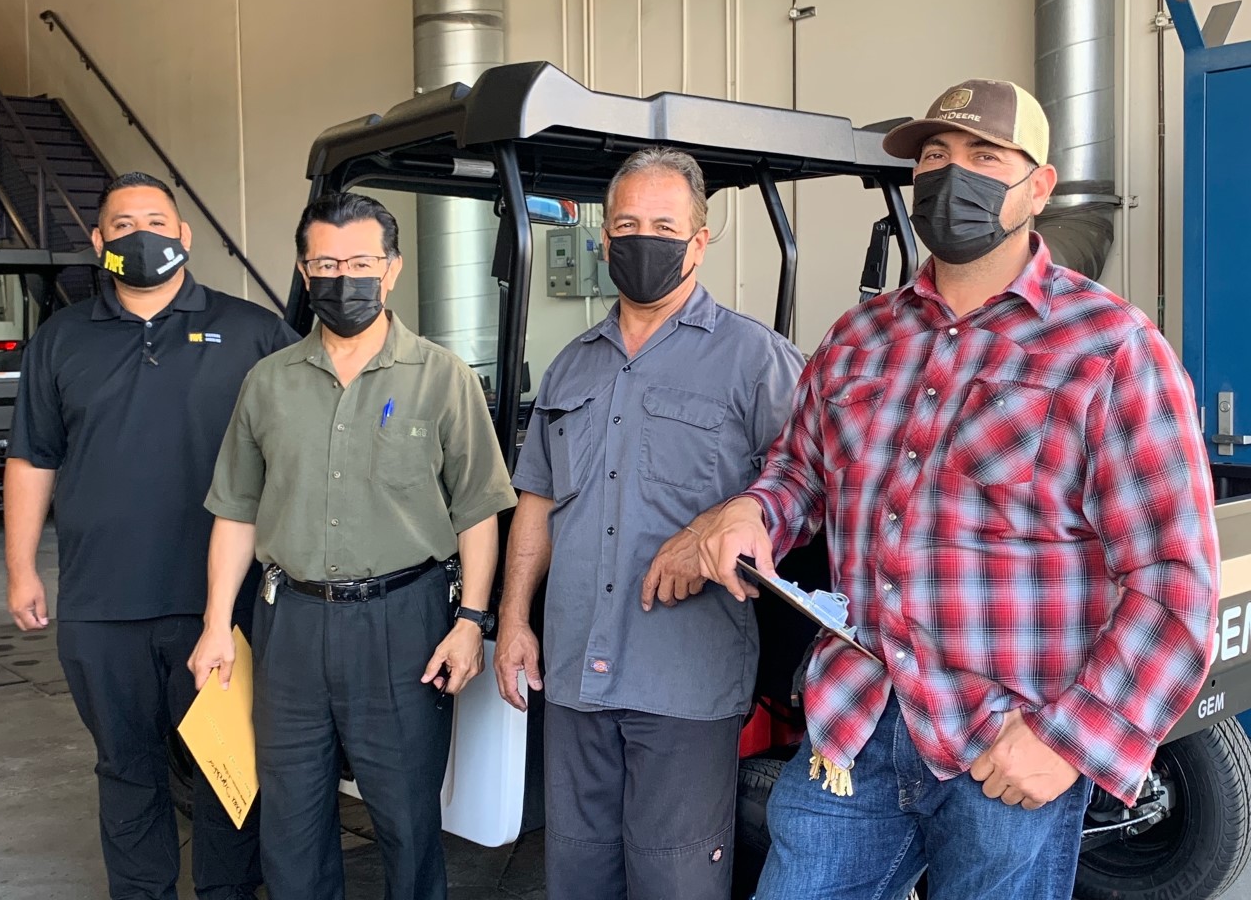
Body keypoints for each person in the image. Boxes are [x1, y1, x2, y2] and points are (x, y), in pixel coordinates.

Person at [699, 79, 1221, 899]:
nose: (953, 176)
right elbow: (801, 469)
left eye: (985, 156)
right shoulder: (858, 338)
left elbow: (1174, 581)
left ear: (1039, 186)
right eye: (935, 157)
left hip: (1008, 744)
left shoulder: (1110, 349)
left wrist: (1073, 738)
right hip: (855, 727)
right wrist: (752, 508)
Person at [494, 147, 805, 900]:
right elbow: (536, 499)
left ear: (699, 241)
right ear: (603, 239)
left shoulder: (756, 361)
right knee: (577, 875)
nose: (643, 240)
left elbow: (811, 479)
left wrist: (725, 519)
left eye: (664, 225)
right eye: (626, 224)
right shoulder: (571, 364)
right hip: (574, 674)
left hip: (684, 679)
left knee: (674, 882)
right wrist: (512, 620)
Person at [188, 191, 516, 900]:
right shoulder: (267, 383)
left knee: (406, 824)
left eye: (361, 262)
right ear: (305, 273)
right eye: (326, 263)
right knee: (292, 829)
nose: (344, 278)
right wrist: (217, 623)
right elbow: (237, 511)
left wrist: (472, 623)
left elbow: (479, 510)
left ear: (391, 270)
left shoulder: (442, 378)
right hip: (291, 628)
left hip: (404, 625)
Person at [5, 171, 298, 900]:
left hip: (221, 608)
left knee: (227, 769)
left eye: (158, 222)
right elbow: (31, 456)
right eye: (124, 224)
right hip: (101, 607)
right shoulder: (61, 339)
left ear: (185, 236)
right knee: (126, 768)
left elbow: (308, 441)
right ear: (99, 241)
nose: (143, 235)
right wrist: (21, 570)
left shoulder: (254, 330)